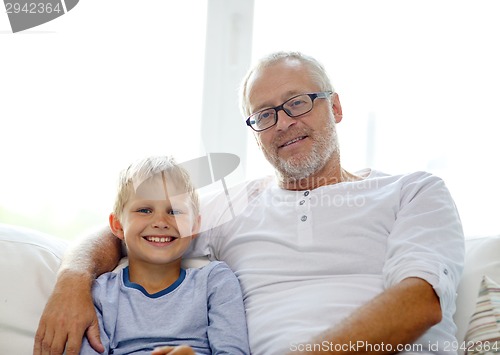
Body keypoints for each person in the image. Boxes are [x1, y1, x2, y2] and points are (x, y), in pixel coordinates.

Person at [34, 51, 464, 355]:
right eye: (264, 115)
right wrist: (72, 280)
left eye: (297, 103)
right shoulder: (231, 208)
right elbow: (137, 226)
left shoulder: (414, 191)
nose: (284, 123)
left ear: (334, 106)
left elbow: (420, 300)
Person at [78, 156, 249, 355]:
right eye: (144, 210)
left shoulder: (215, 281)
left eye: (174, 211)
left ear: (194, 227)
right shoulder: (101, 294)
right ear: (118, 225)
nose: (160, 221)